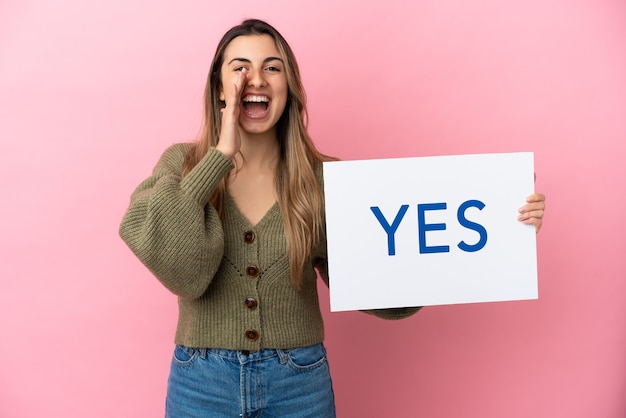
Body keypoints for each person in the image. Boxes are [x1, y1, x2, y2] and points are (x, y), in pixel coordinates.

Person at [119, 18, 546, 418]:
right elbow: (176, 265)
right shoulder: (182, 163)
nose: (257, 78)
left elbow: (375, 281)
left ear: (288, 87)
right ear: (220, 89)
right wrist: (218, 157)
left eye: (273, 67)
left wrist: (497, 230)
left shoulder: (325, 179)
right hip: (200, 381)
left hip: (298, 381)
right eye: (240, 67)